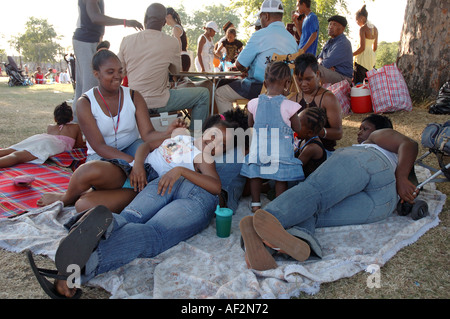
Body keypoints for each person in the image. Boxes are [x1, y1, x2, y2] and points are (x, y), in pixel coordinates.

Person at [27, 119, 235, 299]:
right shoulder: (191, 147)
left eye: (223, 145)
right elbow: (215, 187)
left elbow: (213, 184)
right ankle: (77, 270)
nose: (215, 144)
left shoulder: (194, 150)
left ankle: (79, 243)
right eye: (214, 136)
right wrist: (174, 169)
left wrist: (179, 170)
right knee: (150, 231)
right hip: (176, 186)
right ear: (204, 130)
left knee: (130, 217)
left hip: (167, 180)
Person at [240, 119, 417, 270]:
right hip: (383, 203)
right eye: (359, 129)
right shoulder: (406, 168)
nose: (360, 132)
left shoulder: (378, 138)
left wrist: (401, 177)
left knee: (314, 192)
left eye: (365, 128)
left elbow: (410, 144)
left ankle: (263, 222)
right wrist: (403, 180)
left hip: (368, 161)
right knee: (313, 209)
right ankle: (294, 239)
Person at [37, 49, 186, 211]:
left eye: (120, 71)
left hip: (133, 149)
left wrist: (168, 132)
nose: (118, 76)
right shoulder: (85, 103)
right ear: (96, 74)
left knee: (164, 156)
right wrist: (135, 163)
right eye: (110, 72)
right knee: (89, 172)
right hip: (104, 157)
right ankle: (67, 197)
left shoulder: (134, 96)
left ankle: (132, 190)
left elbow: (148, 135)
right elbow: (99, 146)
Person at [118, 3, 209, 131]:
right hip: (161, 101)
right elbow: (176, 72)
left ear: (145, 18)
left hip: (135, 103)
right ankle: (196, 137)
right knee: (203, 94)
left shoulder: (126, 41)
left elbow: (119, 73)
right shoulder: (171, 42)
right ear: (164, 23)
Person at [214, 0, 299, 114]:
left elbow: (239, 64)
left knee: (220, 93)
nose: (260, 20)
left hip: (260, 88)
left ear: (266, 16)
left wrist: (245, 70)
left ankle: (232, 129)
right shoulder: (292, 40)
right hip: (284, 91)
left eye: (261, 16)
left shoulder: (260, 35)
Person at [241, 61, 304, 212]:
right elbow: (298, 128)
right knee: (280, 178)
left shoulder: (254, 103)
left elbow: (250, 123)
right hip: (280, 152)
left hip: (259, 149)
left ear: (264, 83)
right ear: (287, 84)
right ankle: (278, 206)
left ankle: (255, 204)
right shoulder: (289, 105)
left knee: (255, 174)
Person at [72, 0, 143, 123]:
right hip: (86, 40)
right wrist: (125, 22)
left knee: (84, 85)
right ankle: (84, 127)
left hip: (89, 40)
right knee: (90, 86)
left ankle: (78, 124)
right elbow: (95, 17)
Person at [0, 102, 85, 168]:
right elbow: (79, 144)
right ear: (72, 118)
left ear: (55, 119)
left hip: (39, 138)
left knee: (11, 150)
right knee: (17, 156)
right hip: (50, 144)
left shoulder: (50, 127)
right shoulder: (75, 127)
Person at [290, 53, 342, 151]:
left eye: (308, 79)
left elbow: (338, 133)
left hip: (325, 152)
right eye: (300, 80)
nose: (303, 84)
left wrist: (316, 132)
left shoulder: (328, 99)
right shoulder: (293, 100)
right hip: (299, 151)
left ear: (317, 74)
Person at [317, 15, 353, 85]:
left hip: (343, 78)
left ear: (343, 28)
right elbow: (319, 57)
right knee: (307, 66)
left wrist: (323, 63)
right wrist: (321, 61)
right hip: (332, 73)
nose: (330, 27)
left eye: (334, 24)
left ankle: (311, 94)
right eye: (330, 24)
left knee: (316, 69)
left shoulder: (343, 43)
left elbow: (325, 64)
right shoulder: (329, 42)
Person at [295, 107, 328, 178]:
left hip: (312, 183)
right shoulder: (304, 140)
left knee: (280, 179)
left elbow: (294, 167)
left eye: (298, 125)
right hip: (302, 177)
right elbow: (292, 154)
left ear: (309, 132)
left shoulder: (312, 148)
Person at [353, 5, 378, 84]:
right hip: (371, 59)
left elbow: (362, 47)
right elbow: (375, 47)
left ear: (361, 18)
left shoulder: (363, 29)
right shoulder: (375, 29)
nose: (357, 22)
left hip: (362, 59)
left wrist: (352, 54)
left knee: (359, 83)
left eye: (356, 20)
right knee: (369, 83)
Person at [166, 7, 191, 72]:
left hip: (181, 57)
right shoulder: (178, 27)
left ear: (169, 15)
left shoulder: (175, 28)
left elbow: (179, 44)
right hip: (184, 56)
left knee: (178, 80)